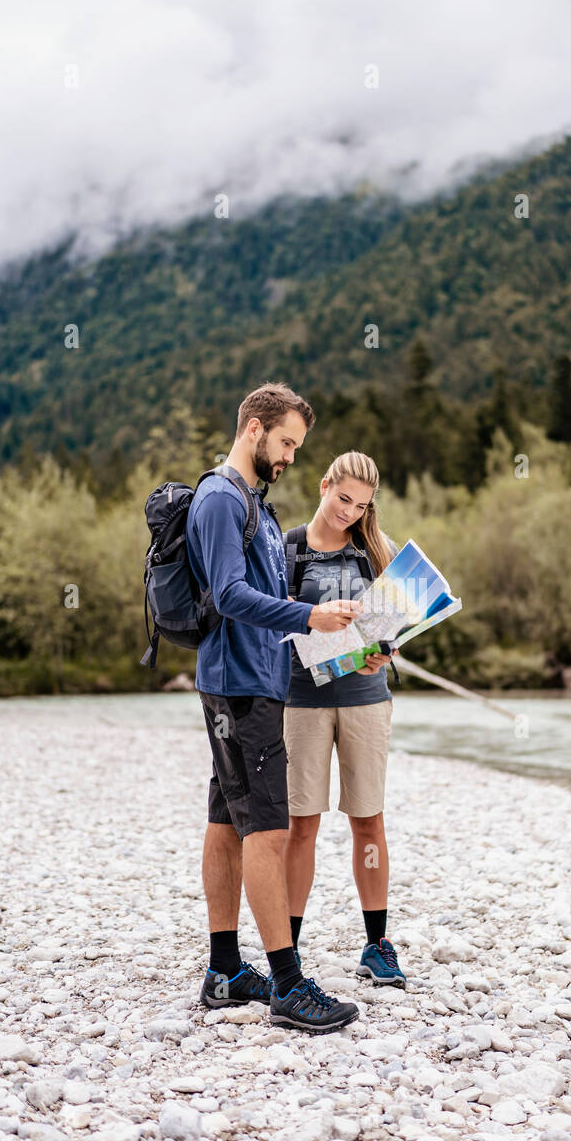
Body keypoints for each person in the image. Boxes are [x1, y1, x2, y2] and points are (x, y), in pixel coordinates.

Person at [186, 382, 363, 1034]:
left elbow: (266, 609)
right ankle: (287, 984)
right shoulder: (219, 500)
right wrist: (312, 613)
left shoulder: (251, 504)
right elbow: (230, 596)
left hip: (252, 680)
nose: (289, 456)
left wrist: (344, 642)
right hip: (238, 689)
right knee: (269, 827)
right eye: (286, 442)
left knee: (229, 821)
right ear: (254, 429)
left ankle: (225, 972)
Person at [282, 451, 407, 988]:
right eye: (343, 499)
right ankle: (285, 948)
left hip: (365, 701)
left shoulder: (379, 551)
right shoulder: (286, 548)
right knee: (300, 823)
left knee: (368, 819)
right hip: (301, 700)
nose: (349, 512)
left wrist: (386, 652)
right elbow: (269, 619)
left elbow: (395, 628)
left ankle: (376, 944)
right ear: (324, 485)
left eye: (361, 505)